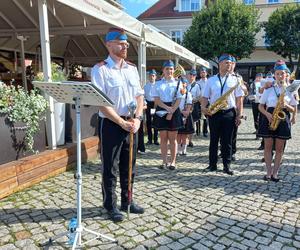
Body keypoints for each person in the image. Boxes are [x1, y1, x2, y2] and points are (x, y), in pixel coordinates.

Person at [91, 27, 145, 222]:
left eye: (126, 43)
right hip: (112, 123)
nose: (125, 46)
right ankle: (110, 205)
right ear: (109, 44)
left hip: (132, 122)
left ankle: (127, 201)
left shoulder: (132, 68)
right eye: (121, 43)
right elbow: (101, 103)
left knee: (129, 166)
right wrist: (121, 122)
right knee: (110, 167)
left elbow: (139, 96)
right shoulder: (101, 69)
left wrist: (137, 119)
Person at [201, 54, 244, 175]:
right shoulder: (211, 80)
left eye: (230, 63)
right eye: (226, 62)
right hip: (214, 113)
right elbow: (205, 96)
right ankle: (212, 165)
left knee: (227, 141)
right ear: (219, 64)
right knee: (213, 140)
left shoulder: (236, 80)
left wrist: (239, 115)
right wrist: (203, 108)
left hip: (229, 112)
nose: (229, 64)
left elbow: (239, 99)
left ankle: (227, 165)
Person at [258, 60, 298, 182]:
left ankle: (275, 173)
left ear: (286, 74)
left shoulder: (291, 90)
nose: (280, 76)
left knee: (280, 149)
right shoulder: (269, 88)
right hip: (269, 117)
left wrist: (286, 105)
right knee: (268, 147)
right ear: (274, 75)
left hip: (282, 116)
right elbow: (260, 106)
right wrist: (267, 114)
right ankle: (268, 173)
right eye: (277, 74)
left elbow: (294, 108)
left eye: (282, 73)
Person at [152, 60, 184, 170]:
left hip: (174, 109)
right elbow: (156, 99)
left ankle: (173, 161)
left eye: (171, 69)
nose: (169, 71)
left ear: (174, 70)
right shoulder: (158, 83)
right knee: (163, 138)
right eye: (167, 69)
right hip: (162, 109)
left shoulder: (178, 83)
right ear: (163, 70)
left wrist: (172, 110)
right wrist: (167, 109)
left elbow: (179, 99)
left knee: (172, 138)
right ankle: (164, 161)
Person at [177, 78, 194, 155]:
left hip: (185, 114)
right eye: (181, 83)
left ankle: (184, 150)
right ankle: (178, 149)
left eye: (184, 83)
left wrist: (186, 113)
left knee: (184, 134)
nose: (183, 85)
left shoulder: (188, 94)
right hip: (178, 114)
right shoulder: (177, 93)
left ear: (186, 84)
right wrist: (180, 112)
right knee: (178, 134)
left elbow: (189, 105)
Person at [186, 69, 201, 147]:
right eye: (190, 75)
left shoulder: (197, 85)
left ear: (195, 76)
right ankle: (185, 140)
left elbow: (199, 96)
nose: (191, 76)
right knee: (185, 123)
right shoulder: (185, 85)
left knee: (192, 123)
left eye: (193, 75)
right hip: (186, 105)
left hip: (193, 106)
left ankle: (190, 141)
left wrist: (193, 99)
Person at [144, 69, 159, 145]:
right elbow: (144, 96)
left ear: (155, 77)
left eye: (153, 75)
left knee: (155, 121)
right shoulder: (146, 86)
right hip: (148, 104)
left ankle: (156, 139)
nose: (151, 77)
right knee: (149, 122)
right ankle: (150, 139)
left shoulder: (157, 85)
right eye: (150, 75)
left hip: (155, 104)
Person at [196, 67, 209, 137]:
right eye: (201, 72)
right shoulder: (197, 82)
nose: (202, 74)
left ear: (206, 73)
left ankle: (205, 131)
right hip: (199, 100)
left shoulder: (209, 81)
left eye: (204, 72)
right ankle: (197, 131)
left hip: (207, 101)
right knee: (198, 117)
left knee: (206, 117)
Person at [250, 73, 264, 137]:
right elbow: (250, 94)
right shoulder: (252, 84)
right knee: (255, 116)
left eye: (260, 77)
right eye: (258, 77)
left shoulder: (264, 84)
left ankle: (260, 131)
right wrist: (252, 97)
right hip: (255, 102)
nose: (259, 78)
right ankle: (257, 129)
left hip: (262, 103)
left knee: (261, 117)